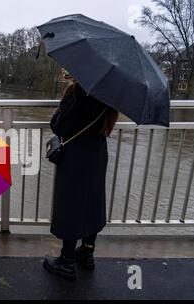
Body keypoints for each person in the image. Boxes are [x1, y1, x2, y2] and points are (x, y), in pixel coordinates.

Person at [43, 69, 119, 281]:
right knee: (92, 201)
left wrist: (63, 105)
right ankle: (87, 253)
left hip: (75, 156)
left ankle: (66, 262)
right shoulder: (111, 94)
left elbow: (59, 126)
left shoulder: (78, 91)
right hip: (97, 153)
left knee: (71, 205)